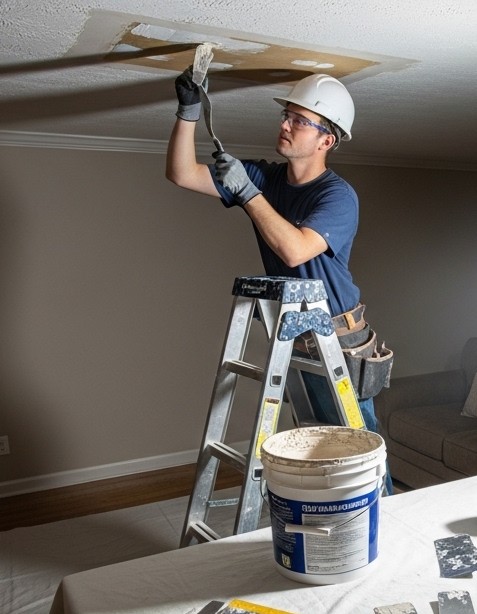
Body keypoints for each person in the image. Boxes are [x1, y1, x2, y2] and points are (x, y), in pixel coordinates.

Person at [166, 67, 392, 492]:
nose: (284, 124)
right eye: (286, 115)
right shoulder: (266, 177)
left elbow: (295, 249)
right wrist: (188, 111)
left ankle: (388, 531)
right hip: (298, 334)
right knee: (318, 451)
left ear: (327, 139)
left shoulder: (338, 196)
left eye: (298, 119)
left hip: (338, 340)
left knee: (361, 456)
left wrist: (249, 195)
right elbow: (181, 173)